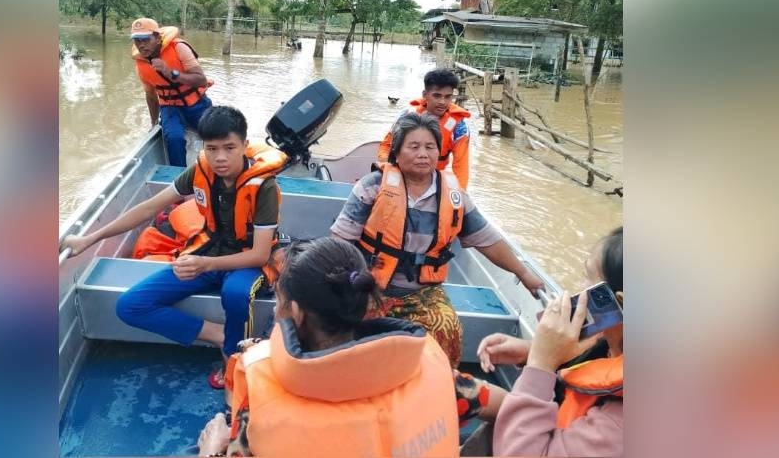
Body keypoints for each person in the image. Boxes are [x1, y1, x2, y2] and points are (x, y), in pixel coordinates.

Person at [196, 238, 503, 457]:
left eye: (279, 301)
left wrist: (211, 451)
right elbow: (508, 407)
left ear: (297, 314)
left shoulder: (260, 398)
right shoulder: (433, 368)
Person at [60, 106, 285, 388]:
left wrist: (206, 265)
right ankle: (220, 335)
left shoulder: (263, 186)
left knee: (236, 293)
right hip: (209, 251)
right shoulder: (200, 172)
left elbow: (260, 253)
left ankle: (234, 355)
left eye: (229, 147)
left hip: (248, 261)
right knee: (131, 305)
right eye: (212, 148)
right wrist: (91, 238)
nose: (220, 157)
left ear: (243, 145)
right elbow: (148, 208)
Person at [332, 112, 545, 367]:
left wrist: (523, 272)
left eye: (430, 147)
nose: (423, 153)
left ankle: (437, 386)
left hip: (422, 292)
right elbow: (339, 242)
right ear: (397, 153)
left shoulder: (455, 197)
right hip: (369, 286)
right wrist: (349, 282)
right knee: (344, 331)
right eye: (414, 147)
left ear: (438, 152)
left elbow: (487, 240)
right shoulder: (372, 186)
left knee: (449, 328)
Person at [477, 227, 623, 457]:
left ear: (618, 302)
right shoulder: (613, 345)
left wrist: (540, 364)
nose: (578, 286)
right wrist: (530, 352)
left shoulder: (620, 426)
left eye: (588, 277)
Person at [130, 17, 213, 167]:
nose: (141, 45)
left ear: (156, 37)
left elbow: (201, 79)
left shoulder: (179, 48)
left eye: (145, 39)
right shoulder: (140, 64)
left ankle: (213, 171)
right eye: (137, 40)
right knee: (174, 138)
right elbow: (150, 95)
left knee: (215, 135)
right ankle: (179, 178)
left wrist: (171, 73)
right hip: (169, 107)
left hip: (196, 103)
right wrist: (154, 122)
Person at [378, 68, 472, 188]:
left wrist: (460, 195)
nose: (442, 102)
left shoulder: (459, 127)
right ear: (425, 95)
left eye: (448, 97)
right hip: (402, 175)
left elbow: (461, 166)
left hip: (433, 180)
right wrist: (388, 172)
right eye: (437, 96)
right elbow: (386, 146)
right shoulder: (407, 116)